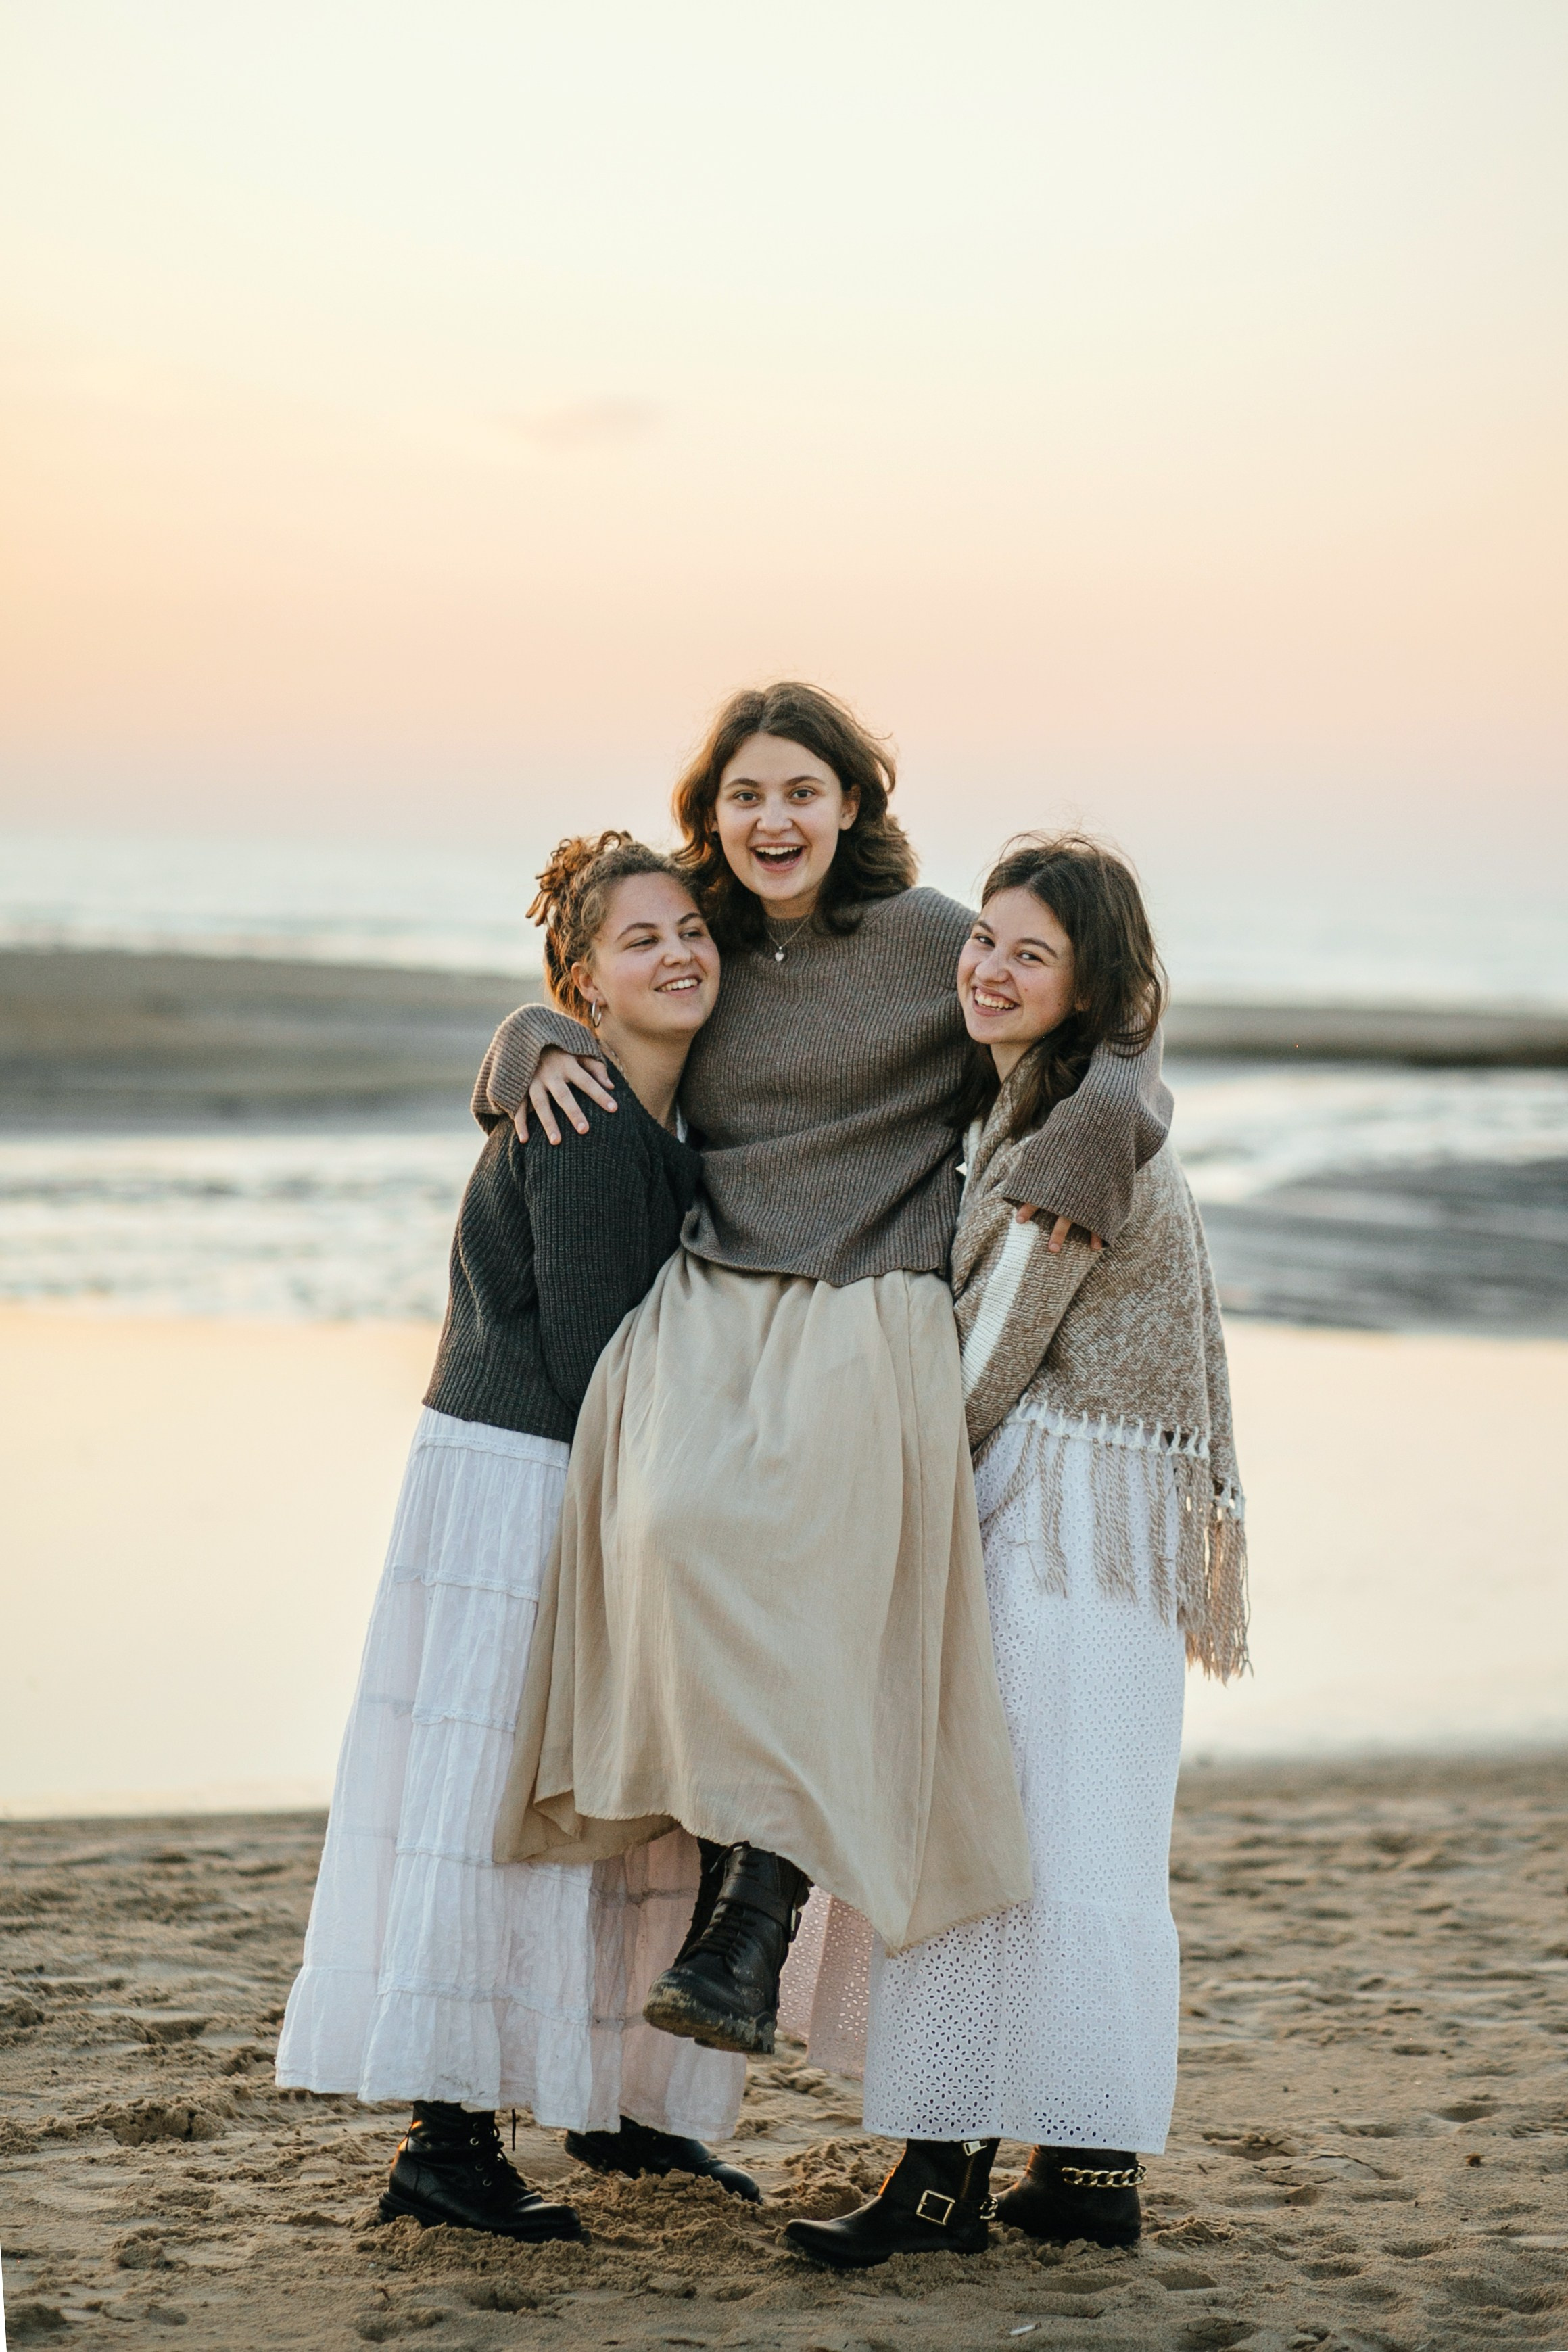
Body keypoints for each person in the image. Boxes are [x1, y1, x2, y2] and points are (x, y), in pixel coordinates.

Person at [470, 686, 1174, 2095]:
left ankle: (754, 1907)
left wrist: (1112, 1114)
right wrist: (515, 1040)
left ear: (849, 800)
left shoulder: (928, 939)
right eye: (742, 796)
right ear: (711, 814)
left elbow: (1104, 1028)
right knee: (666, 1521)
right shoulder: (704, 942)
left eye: (798, 790)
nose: (770, 819)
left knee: (824, 1546)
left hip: (875, 1294)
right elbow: (597, 1007)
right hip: (714, 1285)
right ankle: (723, 1868)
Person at [275, 834, 758, 2240]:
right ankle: (447, 2142)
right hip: (532, 1480)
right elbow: (609, 1367)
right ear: (582, 983)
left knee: (595, 1801)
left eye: (691, 932)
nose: (677, 954)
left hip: (536, 1469)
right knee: (510, 1803)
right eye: (639, 940)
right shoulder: (593, 1124)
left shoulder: (628, 1106)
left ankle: (616, 2108)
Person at [784, 834, 1249, 2270]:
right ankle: (1087, 2163)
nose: (985, 967)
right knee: (1078, 1842)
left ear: (1088, 977)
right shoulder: (1096, 1093)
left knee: (983, 1834)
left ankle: (938, 2183)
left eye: (1025, 951)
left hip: (1056, 1524)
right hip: (1109, 1531)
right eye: (982, 938)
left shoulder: (1074, 1130)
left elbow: (991, 1356)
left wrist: (884, 1478)